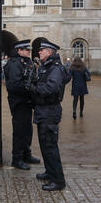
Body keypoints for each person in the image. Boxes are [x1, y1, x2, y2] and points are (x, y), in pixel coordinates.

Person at [29, 39, 68, 191]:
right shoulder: (47, 67)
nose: (39, 52)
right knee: (45, 145)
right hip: (43, 110)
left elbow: (52, 87)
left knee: (50, 145)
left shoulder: (55, 68)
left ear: (49, 52)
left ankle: (58, 180)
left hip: (49, 111)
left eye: (42, 50)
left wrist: (35, 88)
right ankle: (50, 172)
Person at [4, 39, 40, 170]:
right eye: (26, 50)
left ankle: (26, 153)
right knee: (20, 131)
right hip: (19, 102)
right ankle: (17, 158)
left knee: (27, 130)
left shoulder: (26, 62)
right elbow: (14, 85)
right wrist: (30, 89)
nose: (29, 52)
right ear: (19, 50)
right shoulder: (14, 64)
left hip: (26, 101)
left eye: (29, 50)